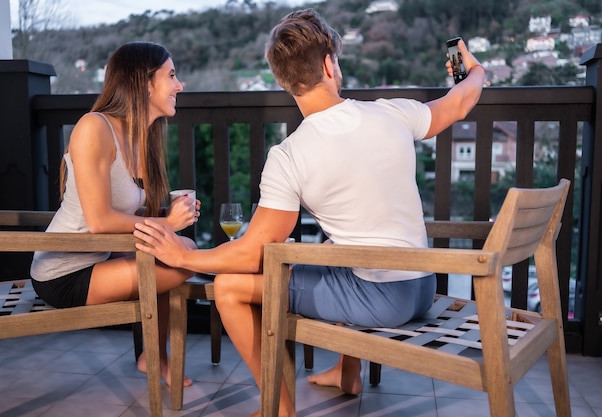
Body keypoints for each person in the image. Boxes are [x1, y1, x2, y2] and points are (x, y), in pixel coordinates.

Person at [133, 8, 485, 417]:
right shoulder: (391, 112)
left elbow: (253, 253)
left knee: (229, 288)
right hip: (422, 283)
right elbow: (458, 104)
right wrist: (474, 71)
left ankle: (278, 410)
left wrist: (184, 257)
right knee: (338, 247)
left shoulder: (290, 156)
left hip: (381, 296)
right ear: (328, 64)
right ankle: (345, 374)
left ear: (285, 81)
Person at [30, 41, 200, 387]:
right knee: (182, 256)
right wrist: (165, 224)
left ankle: (155, 357)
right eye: (171, 75)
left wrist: (166, 215)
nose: (179, 85)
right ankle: (154, 357)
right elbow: (99, 220)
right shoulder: (95, 128)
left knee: (176, 249)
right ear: (145, 82)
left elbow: (123, 210)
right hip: (63, 273)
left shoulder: (139, 136)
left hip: (98, 259)